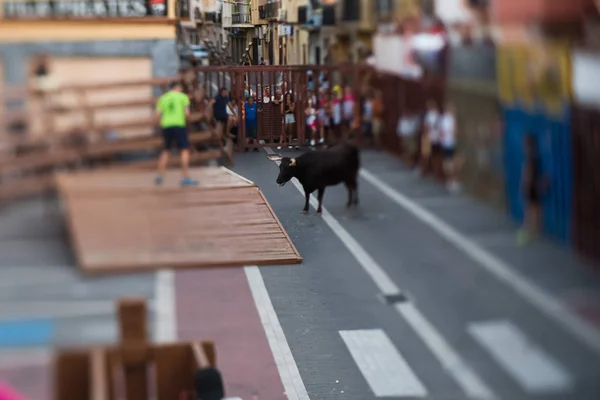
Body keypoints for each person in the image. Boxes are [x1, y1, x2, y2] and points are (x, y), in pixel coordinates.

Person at [154, 81, 197, 186]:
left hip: (167, 126)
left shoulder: (163, 98)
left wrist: (162, 124)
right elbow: (187, 113)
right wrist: (188, 121)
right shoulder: (183, 97)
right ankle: (184, 177)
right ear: (177, 87)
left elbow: (157, 114)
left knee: (166, 150)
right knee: (184, 150)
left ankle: (160, 176)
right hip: (179, 125)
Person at [517, 133, 548, 245]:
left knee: (532, 208)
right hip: (532, 185)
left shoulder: (531, 157)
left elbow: (528, 173)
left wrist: (525, 185)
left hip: (531, 186)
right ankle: (532, 230)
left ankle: (531, 230)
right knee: (533, 208)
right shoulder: (532, 156)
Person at [440, 103, 460, 192]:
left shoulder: (446, 118)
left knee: (449, 162)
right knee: (450, 162)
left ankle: (450, 181)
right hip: (448, 143)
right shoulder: (449, 118)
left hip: (448, 143)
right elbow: (455, 131)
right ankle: (450, 181)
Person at [423, 100, 441, 176]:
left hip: (435, 138)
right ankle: (425, 170)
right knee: (426, 154)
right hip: (429, 137)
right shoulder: (429, 115)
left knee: (434, 155)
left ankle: (434, 171)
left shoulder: (438, 116)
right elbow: (426, 126)